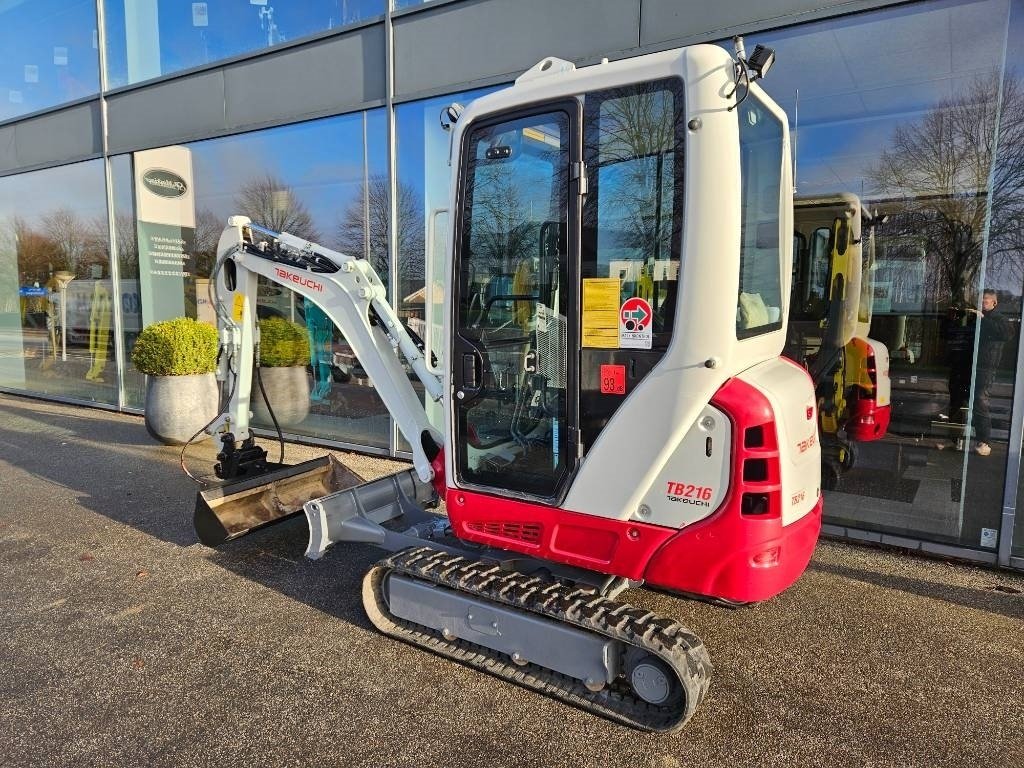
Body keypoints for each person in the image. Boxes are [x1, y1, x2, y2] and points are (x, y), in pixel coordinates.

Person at [970, 289, 1012, 456]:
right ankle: (956, 438)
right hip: (972, 364)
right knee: (968, 400)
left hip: (986, 367)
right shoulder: (978, 317)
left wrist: (983, 319)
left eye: (985, 300)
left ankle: (984, 441)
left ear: (994, 303)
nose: (982, 302)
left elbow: (1006, 334)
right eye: (980, 299)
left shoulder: (999, 318)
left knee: (980, 400)